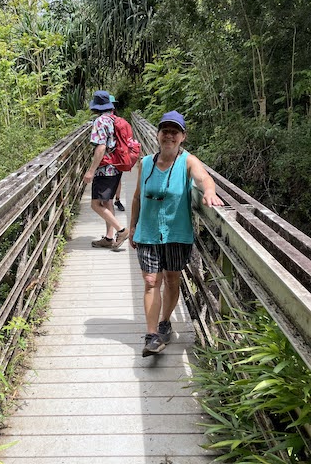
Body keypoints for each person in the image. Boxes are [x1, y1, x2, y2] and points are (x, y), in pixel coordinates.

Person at [129, 111, 224, 357]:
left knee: (172, 280)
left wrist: (209, 192)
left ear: (183, 136)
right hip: (147, 233)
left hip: (176, 233)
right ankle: (152, 336)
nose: (169, 136)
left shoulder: (188, 161)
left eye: (175, 132)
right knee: (151, 281)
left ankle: (165, 322)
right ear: (158, 134)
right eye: (165, 131)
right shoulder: (145, 163)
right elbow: (137, 197)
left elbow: (204, 178)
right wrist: (132, 226)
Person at [84, 90, 129, 249]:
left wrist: (91, 170)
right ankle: (109, 238)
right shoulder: (115, 119)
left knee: (95, 204)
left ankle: (121, 230)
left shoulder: (100, 121)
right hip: (116, 166)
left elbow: (101, 147)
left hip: (105, 169)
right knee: (107, 201)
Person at [109, 95, 125, 212]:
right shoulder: (101, 121)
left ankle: (117, 199)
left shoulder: (118, 121)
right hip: (111, 155)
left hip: (116, 154)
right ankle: (111, 200)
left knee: (117, 178)